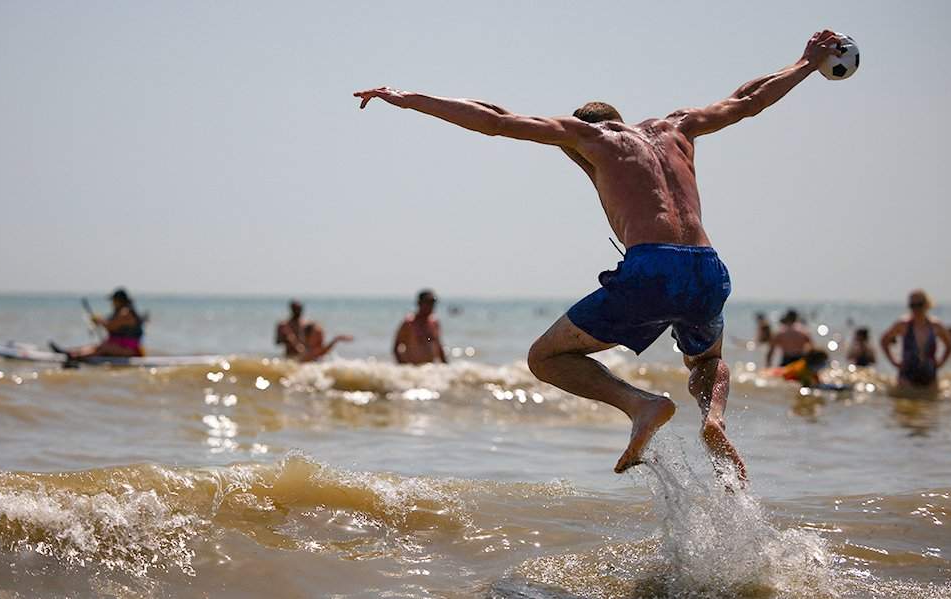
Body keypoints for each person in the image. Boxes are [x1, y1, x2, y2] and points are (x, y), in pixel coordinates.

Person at [357, 30, 845, 479]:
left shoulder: (590, 138)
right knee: (705, 361)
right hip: (707, 267)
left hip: (652, 266)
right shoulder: (679, 127)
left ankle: (640, 406)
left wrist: (407, 99)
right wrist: (806, 61)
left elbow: (496, 119)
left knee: (545, 357)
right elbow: (748, 100)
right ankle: (714, 418)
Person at [880, 290, 951, 388]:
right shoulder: (903, 324)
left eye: (919, 305)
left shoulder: (935, 325)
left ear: (927, 304)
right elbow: (884, 341)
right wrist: (894, 362)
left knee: (931, 403)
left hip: (930, 374)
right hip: (907, 375)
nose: (916, 309)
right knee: (904, 402)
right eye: (912, 305)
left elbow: (949, 346)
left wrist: (940, 363)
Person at [51, 288, 146, 359]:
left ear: (119, 300)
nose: (112, 303)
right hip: (119, 346)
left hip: (130, 350)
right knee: (94, 347)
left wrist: (98, 320)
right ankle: (69, 352)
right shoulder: (121, 311)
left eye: (113, 300)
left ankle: (74, 357)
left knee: (102, 348)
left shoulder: (126, 313)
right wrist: (98, 321)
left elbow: (111, 326)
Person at [393, 290, 447, 365]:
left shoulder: (434, 323)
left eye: (433, 303)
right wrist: (403, 367)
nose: (431, 306)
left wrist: (446, 366)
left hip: (429, 369)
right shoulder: (409, 322)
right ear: (419, 303)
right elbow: (396, 347)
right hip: (413, 371)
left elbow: (439, 347)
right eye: (428, 302)